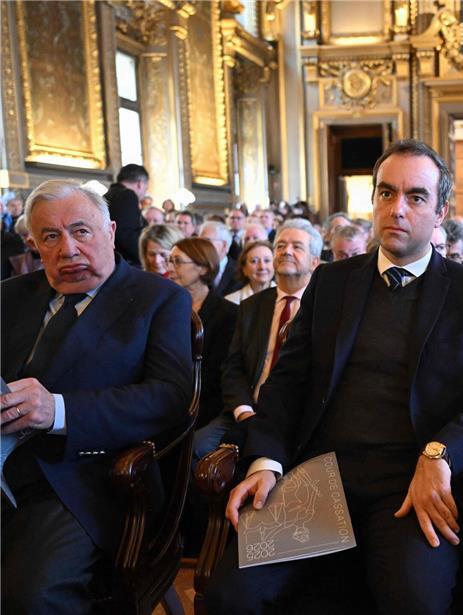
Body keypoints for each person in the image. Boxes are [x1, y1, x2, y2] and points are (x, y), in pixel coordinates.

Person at [205, 140, 463, 614]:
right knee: (229, 598)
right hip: (321, 474)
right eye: (386, 193)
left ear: (439, 212)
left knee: (413, 603)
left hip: (411, 481)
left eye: (416, 197)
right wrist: (266, 461)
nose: (397, 209)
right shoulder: (333, 281)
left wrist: (441, 453)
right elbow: (286, 384)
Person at [1, 179, 192, 613]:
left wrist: (58, 411)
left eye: (81, 231)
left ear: (109, 230)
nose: (68, 249)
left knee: (28, 596)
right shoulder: (9, 297)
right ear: (33, 244)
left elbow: (170, 397)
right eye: (51, 236)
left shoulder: (158, 300)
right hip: (3, 466)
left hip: (85, 479)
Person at [194, 220, 321, 463]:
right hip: (247, 410)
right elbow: (232, 367)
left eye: (297, 246)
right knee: (199, 449)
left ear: (314, 261)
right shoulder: (252, 306)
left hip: (295, 416)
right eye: (281, 246)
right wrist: (243, 410)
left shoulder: (324, 307)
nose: (286, 251)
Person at [167, 237, 237, 429]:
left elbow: (216, 374)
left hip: (205, 405)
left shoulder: (228, 314)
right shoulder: (166, 308)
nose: (170, 267)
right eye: (169, 261)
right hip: (167, 396)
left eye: (178, 261)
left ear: (203, 268)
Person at [104, 163, 149, 266]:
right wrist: (145, 258)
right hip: (127, 264)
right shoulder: (127, 195)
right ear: (140, 184)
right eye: (146, 188)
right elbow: (126, 235)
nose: (144, 193)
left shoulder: (109, 195)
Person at [199, 221, 242, 297]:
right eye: (199, 241)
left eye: (207, 241)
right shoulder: (194, 268)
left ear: (224, 245)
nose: (201, 246)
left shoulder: (239, 271)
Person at [224, 240, 275, 305]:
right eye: (254, 261)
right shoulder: (230, 302)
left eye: (267, 260)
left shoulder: (286, 298)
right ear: (244, 269)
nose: (262, 267)